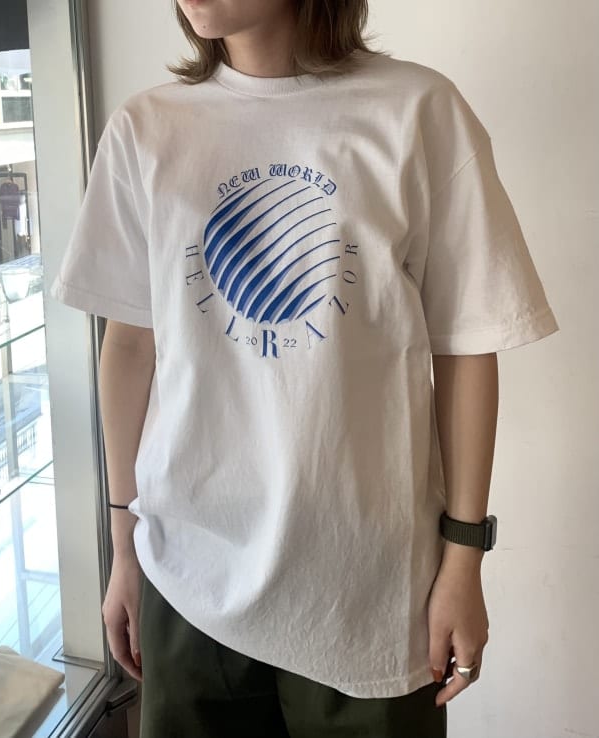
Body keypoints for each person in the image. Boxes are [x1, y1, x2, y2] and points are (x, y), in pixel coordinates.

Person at [51, 1, 559, 736]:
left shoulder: (418, 111)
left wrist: (464, 556)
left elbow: (467, 346)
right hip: (186, 578)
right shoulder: (145, 129)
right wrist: (122, 546)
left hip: (372, 588)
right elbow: (129, 347)